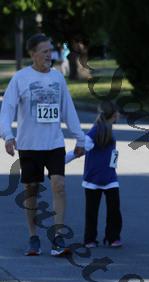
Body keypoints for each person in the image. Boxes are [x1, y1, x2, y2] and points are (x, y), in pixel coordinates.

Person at [0, 33, 85, 256]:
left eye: (50, 51)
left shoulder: (58, 78)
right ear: (33, 54)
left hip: (54, 143)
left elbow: (68, 109)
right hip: (29, 145)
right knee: (31, 189)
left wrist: (80, 138)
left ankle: (58, 237)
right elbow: (7, 109)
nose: (49, 55)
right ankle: (33, 237)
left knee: (59, 185)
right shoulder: (21, 78)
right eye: (45, 51)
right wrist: (7, 135)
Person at [79, 101, 122, 248]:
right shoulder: (96, 130)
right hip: (93, 178)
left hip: (110, 177)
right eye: (118, 112)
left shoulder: (108, 129)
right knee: (94, 210)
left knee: (113, 209)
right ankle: (90, 239)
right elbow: (83, 146)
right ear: (114, 115)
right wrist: (64, 159)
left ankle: (111, 237)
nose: (119, 115)